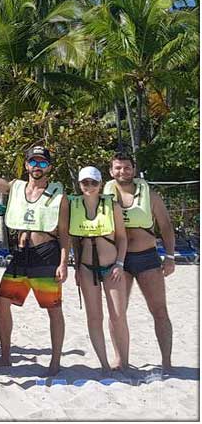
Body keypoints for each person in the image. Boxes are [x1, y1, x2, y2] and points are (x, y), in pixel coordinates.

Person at [0, 122, 70, 376]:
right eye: (33, 162)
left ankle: (55, 360)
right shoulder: (15, 187)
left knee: (53, 309)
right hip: (20, 255)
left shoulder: (57, 196)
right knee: (1, 302)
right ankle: (5, 356)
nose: (37, 167)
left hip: (46, 254)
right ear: (26, 165)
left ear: (49, 167)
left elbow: (63, 233)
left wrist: (63, 262)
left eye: (42, 163)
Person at [103, 153, 175, 373]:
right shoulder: (104, 194)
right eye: (118, 168)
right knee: (116, 313)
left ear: (133, 170)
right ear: (111, 171)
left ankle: (167, 362)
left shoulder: (150, 195)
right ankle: (120, 360)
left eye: (126, 168)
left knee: (159, 310)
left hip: (147, 257)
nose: (122, 172)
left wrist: (170, 257)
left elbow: (166, 226)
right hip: (117, 260)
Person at [69, 166, 129, 372]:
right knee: (94, 317)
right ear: (79, 184)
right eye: (85, 182)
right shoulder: (73, 206)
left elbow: (122, 238)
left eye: (94, 182)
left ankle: (123, 361)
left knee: (118, 315)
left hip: (112, 267)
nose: (89, 186)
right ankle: (104, 364)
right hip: (86, 268)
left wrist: (120, 264)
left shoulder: (112, 206)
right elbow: (75, 242)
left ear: (100, 184)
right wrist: (76, 267)